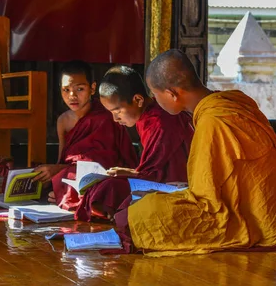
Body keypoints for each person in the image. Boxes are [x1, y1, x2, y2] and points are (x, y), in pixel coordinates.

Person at [116, 49, 276, 256]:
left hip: (240, 219)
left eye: (156, 94)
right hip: (268, 215)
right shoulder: (238, 101)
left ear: (172, 94)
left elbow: (206, 202)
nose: (156, 100)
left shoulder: (212, 121)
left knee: (143, 212)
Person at [74, 65, 193, 221]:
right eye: (111, 113)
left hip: (178, 187)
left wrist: (132, 174)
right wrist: (131, 173)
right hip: (158, 182)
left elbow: (159, 176)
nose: (115, 119)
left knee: (108, 189)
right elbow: (154, 168)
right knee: (103, 187)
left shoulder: (160, 121)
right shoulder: (145, 118)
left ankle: (114, 216)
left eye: (117, 111)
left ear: (138, 100)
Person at [32, 60, 138, 210]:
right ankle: (70, 196)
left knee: (103, 185)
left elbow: (104, 163)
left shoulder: (106, 116)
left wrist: (59, 173)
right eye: (66, 90)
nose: (72, 96)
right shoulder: (63, 120)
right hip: (73, 175)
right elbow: (62, 159)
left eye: (79, 89)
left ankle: (73, 197)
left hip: (100, 175)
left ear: (92, 88)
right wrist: (51, 175)